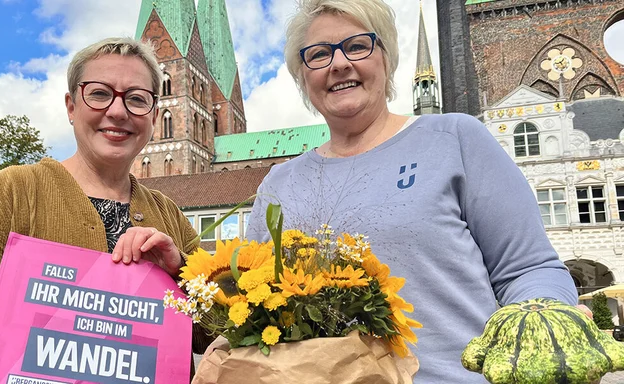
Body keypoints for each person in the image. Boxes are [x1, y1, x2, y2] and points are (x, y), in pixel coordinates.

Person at [245, 1, 582, 382]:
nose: (339, 63)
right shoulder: (278, 184)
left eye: (357, 46)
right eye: (319, 54)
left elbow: (527, 269)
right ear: (302, 76)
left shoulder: (455, 139)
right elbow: (252, 301)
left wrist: (545, 319)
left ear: (386, 58)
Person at [0, 37, 209, 383]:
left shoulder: (168, 215)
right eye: (99, 93)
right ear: (71, 106)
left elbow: (221, 327)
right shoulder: (9, 194)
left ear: (155, 115)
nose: (118, 111)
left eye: (137, 99)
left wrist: (181, 273)